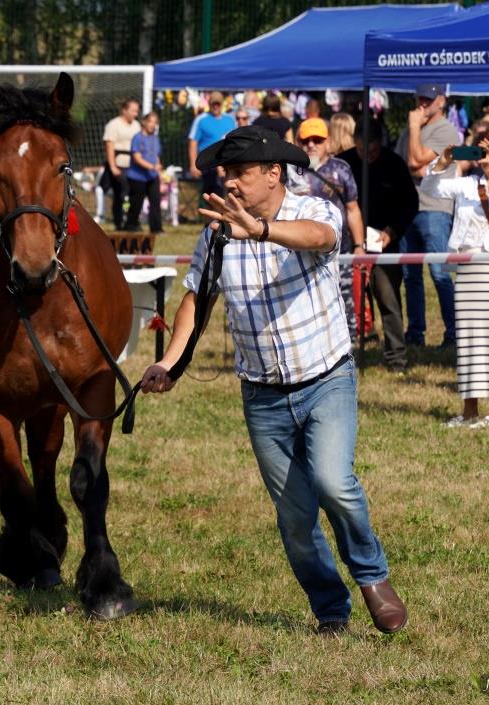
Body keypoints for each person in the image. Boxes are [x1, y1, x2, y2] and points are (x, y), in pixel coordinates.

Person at [140, 126, 407, 636]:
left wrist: (261, 231)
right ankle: (331, 609)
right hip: (262, 396)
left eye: (240, 173)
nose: (230, 183)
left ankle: (372, 576)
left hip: (326, 380)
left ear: (273, 174)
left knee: (334, 483)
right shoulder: (216, 234)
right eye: (226, 174)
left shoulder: (314, 209)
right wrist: (170, 364)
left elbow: (322, 238)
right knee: (295, 518)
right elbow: (197, 299)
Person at [423, 128, 489, 429]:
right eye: (481, 152)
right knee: (468, 341)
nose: (485, 158)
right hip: (468, 267)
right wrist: (442, 162)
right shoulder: (467, 184)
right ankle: (469, 410)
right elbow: (430, 189)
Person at [340, 120, 420, 373]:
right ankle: (343, 355)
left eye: (372, 151)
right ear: (355, 142)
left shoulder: (395, 164)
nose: (367, 156)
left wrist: (392, 231)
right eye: (362, 150)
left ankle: (396, 357)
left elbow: (410, 203)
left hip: (384, 240)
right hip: (347, 242)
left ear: (381, 143)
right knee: (345, 299)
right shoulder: (343, 164)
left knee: (388, 297)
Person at [395, 84, 461, 348]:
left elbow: (415, 161)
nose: (423, 103)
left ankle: (454, 333)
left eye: (429, 99)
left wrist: (414, 129)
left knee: (440, 272)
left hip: (435, 208)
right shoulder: (408, 130)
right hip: (408, 209)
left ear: (441, 101)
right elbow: (405, 167)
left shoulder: (446, 131)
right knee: (410, 275)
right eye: (420, 98)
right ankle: (415, 332)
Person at [290, 117, 366, 343]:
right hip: (298, 251)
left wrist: (359, 246)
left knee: (343, 299)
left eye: (318, 140)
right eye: (306, 140)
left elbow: (353, 209)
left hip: (339, 250)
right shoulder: (289, 171)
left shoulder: (341, 169)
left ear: (328, 142)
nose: (311, 145)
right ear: (297, 142)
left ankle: (348, 346)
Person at [187, 91, 235, 197]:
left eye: (218, 104)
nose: (216, 106)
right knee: (209, 197)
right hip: (208, 165)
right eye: (214, 104)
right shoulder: (201, 120)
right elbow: (193, 142)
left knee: (228, 196)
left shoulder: (230, 120)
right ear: (209, 104)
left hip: (226, 164)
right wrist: (193, 165)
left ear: (222, 104)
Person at [102, 98, 141, 230]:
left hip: (133, 166)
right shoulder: (113, 125)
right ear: (124, 110)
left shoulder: (137, 125)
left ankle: (132, 221)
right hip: (118, 165)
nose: (136, 114)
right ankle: (119, 222)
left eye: (137, 111)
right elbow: (109, 146)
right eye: (133, 111)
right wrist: (113, 166)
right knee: (121, 194)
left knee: (135, 194)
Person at [124, 111, 163, 234]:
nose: (153, 125)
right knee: (136, 202)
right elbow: (137, 158)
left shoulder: (155, 138)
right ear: (144, 122)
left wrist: (159, 171)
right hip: (137, 177)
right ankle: (131, 225)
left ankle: (156, 228)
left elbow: (156, 156)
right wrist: (152, 167)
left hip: (152, 176)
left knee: (155, 202)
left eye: (155, 122)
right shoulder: (137, 138)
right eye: (150, 121)